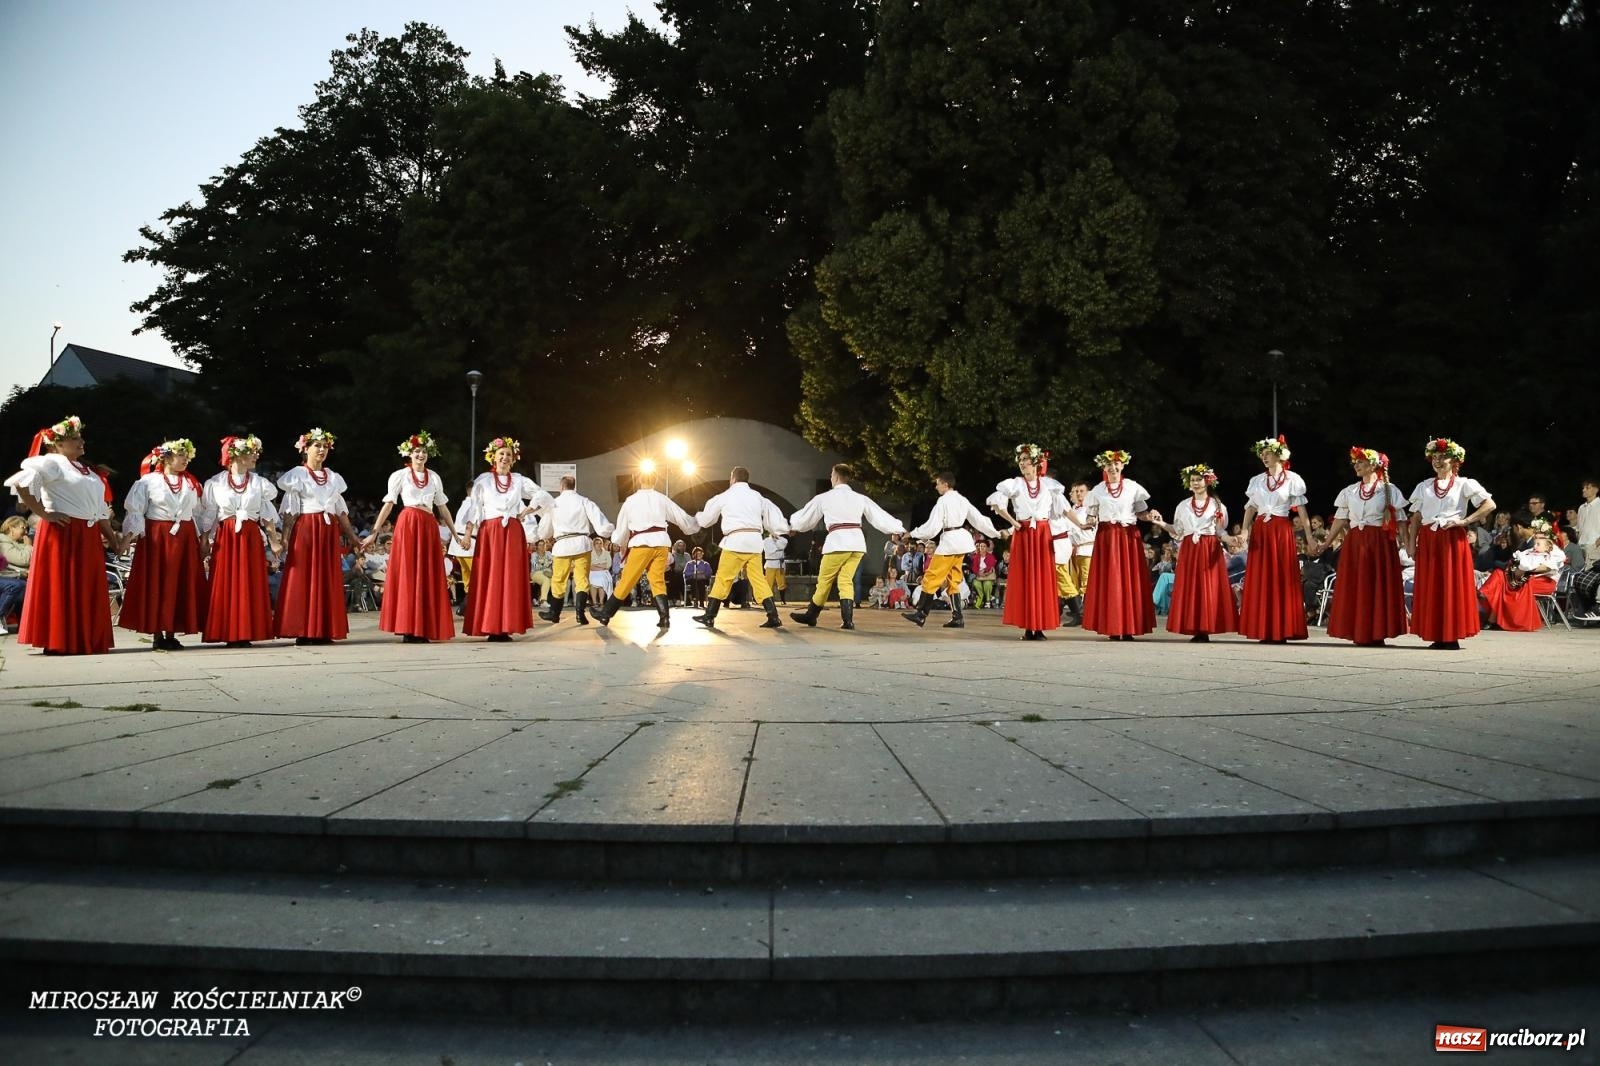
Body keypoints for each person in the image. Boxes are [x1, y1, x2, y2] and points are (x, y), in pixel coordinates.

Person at [4, 415, 119, 654]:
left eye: (80, 437)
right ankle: (57, 639)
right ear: (57, 444)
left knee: (85, 585)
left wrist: (113, 538)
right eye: (74, 439)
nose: (81, 442)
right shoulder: (53, 462)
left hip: (86, 534)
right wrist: (44, 514)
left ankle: (82, 638)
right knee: (62, 583)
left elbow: (97, 510)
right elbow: (21, 483)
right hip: (63, 531)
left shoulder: (85, 469)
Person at [360, 432, 460, 644]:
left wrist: (454, 533)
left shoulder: (434, 477)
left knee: (427, 573)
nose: (420, 455)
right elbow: (389, 504)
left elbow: (442, 507)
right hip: (409, 523)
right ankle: (408, 626)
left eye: (424, 451)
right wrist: (374, 532)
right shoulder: (400, 475)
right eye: (417, 451)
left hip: (428, 523)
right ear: (409, 454)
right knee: (409, 572)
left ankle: (424, 626)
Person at [787, 463, 906, 630]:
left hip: (837, 543)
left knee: (825, 580)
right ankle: (847, 620)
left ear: (835, 477)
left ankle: (811, 614)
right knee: (845, 580)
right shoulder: (860, 498)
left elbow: (807, 517)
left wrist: (794, 527)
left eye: (831, 475)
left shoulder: (825, 497)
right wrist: (898, 529)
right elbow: (878, 515)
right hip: (857, 544)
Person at [275, 428, 365, 646]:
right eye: (317, 446)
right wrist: (285, 537)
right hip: (306, 529)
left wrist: (353, 538)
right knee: (305, 577)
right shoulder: (297, 475)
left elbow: (340, 511)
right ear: (305, 449)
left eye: (325, 447)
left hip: (327, 531)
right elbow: (291, 510)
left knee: (326, 577)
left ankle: (324, 628)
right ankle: (304, 629)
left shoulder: (333, 478)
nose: (322, 450)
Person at [1407, 437, 1496, 650]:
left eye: (1443, 457)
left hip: (1451, 537)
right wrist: (1411, 543)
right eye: (1435, 457)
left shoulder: (1464, 484)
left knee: (1451, 584)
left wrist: (1465, 521)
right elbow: (1416, 518)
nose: (1438, 461)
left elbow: (1489, 504)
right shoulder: (1424, 486)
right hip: (1429, 538)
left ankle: (1451, 634)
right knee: (1431, 585)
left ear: (1454, 461)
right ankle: (1436, 633)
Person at [119, 439, 208, 651]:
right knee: (158, 583)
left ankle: (172, 632)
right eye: (180, 455)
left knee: (179, 583)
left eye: (187, 456)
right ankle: (158, 633)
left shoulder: (191, 483)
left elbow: (197, 514)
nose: (185, 459)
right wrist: (127, 537)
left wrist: (203, 539)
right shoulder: (148, 481)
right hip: (157, 536)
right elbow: (136, 511)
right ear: (166, 457)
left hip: (184, 536)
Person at [462, 436, 552, 641]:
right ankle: (490, 624)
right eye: (501, 454)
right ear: (493, 457)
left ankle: (506, 625)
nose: (504, 458)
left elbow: (543, 496)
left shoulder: (519, 480)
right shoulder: (483, 480)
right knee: (491, 575)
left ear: (513, 459)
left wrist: (527, 512)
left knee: (510, 576)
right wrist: (468, 535)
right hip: (490, 532)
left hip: (511, 530)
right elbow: (474, 509)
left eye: (508, 455)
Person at [1317, 447, 1408, 647]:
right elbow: (1340, 519)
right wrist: (1326, 543)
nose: (1356, 466)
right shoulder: (1350, 491)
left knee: (1377, 585)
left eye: (1360, 462)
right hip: (1356, 542)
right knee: (1357, 585)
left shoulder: (1389, 490)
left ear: (1373, 465)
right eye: (1355, 463)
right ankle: (1357, 630)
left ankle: (1377, 632)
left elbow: (1401, 521)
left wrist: (1409, 545)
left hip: (1380, 542)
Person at [197, 435, 281, 647]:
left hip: (250, 535)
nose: (255, 456)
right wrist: (205, 540)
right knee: (227, 582)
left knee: (249, 582)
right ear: (234, 456)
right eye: (250, 452)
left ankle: (247, 630)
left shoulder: (260, 483)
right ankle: (228, 630)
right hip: (227, 536)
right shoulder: (215, 483)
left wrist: (273, 540)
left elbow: (266, 514)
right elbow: (210, 514)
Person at [987, 443, 1074, 640]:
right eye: (1020, 461)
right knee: (1026, 578)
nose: (1022, 464)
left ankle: (1040, 626)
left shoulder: (1048, 485)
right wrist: (1013, 523)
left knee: (1042, 577)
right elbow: (997, 502)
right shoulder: (1015, 483)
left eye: (1026, 460)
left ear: (1035, 462)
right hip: (1024, 533)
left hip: (1043, 533)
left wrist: (1083, 525)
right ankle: (1028, 627)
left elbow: (1066, 509)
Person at [593, 469, 699, 629]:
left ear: (638, 481)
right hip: (661, 543)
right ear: (655, 481)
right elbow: (681, 517)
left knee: (628, 579)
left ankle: (606, 614)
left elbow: (622, 529)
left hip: (641, 543)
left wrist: (617, 540)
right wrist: (696, 524)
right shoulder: (662, 499)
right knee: (657, 580)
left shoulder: (631, 501)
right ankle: (664, 618)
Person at [903, 471, 1005, 631]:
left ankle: (921, 614)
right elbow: (978, 519)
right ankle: (958, 617)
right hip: (962, 542)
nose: (936, 486)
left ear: (945, 484)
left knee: (931, 576)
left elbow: (932, 527)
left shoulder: (943, 501)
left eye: (938, 483)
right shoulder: (962, 500)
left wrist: (913, 533)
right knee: (953, 579)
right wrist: (996, 533)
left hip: (950, 542)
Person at [690, 467, 787, 630]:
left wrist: (698, 518)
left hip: (735, 541)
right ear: (747, 479)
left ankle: (709, 616)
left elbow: (707, 519)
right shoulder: (757, 496)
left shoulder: (726, 496)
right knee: (758, 579)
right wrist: (776, 529)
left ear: (732, 479)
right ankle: (773, 615)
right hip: (755, 542)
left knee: (723, 578)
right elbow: (771, 516)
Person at [1238, 436, 1312, 644]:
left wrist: (1309, 538)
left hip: (1281, 530)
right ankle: (1263, 628)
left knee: (1282, 577)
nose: (1264, 457)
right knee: (1262, 577)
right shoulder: (1257, 481)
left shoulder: (1293, 479)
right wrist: (1245, 531)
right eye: (1262, 455)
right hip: (1262, 529)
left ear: (1279, 455)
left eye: (1267, 454)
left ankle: (1283, 627)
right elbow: (1251, 507)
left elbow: (1303, 512)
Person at [1081, 449, 1161, 641]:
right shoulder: (1098, 490)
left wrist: (1150, 516)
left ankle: (1129, 626)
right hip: (1107, 537)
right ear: (1104, 467)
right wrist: (1088, 523)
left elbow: (1141, 513)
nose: (1113, 467)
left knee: (1129, 579)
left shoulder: (1133, 487)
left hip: (1128, 537)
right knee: (1110, 580)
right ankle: (1112, 626)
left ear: (1123, 465)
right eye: (1109, 465)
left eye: (1116, 464)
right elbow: (1092, 516)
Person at [1152, 464, 1237, 642]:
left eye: (1199, 480)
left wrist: (1230, 540)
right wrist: (1161, 523)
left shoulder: (1217, 505)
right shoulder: (1183, 506)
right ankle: (1194, 625)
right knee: (1192, 586)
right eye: (1193, 480)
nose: (1196, 483)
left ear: (1207, 481)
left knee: (1208, 586)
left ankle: (1206, 627)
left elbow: (1220, 531)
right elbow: (1177, 530)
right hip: (1190, 548)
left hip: (1209, 547)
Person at [538, 475, 614, 626]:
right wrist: (608, 531)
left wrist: (543, 535)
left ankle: (554, 613)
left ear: (561, 487)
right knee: (582, 580)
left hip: (562, 546)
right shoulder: (584, 501)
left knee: (559, 579)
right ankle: (580, 614)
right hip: (582, 544)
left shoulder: (554, 504)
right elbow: (600, 523)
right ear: (574, 486)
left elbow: (544, 531)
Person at [1478, 519, 1564, 631]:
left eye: (1540, 534)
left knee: (1513, 584)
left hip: (1543, 580)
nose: (1536, 536)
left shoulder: (1553, 551)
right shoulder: (1531, 549)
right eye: (1536, 533)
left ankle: (1494, 617)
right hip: (1522, 576)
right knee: (1500, 574)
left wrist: (1525, 571)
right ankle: (1486, 595)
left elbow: (1547, 567)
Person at [0, 514, 32, 633]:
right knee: (21, 586)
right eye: (22, 528)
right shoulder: (3, 542)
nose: (26, 532)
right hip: (8, 577)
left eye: (27, 528)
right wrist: (28, 546)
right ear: (11, 528)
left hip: (18, 576)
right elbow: (22, 559)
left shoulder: (19, 544)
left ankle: (25, 624)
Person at [763, 533, 789, 604]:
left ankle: (783, 599)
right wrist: (778, 547)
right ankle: (769, 600)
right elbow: (770, 550)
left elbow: (783, 545)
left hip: (780, 564)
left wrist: (776, 544)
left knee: (782, 582)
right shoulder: (766, 540)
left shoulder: (783, 539)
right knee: (769, 583)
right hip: (770, 564)